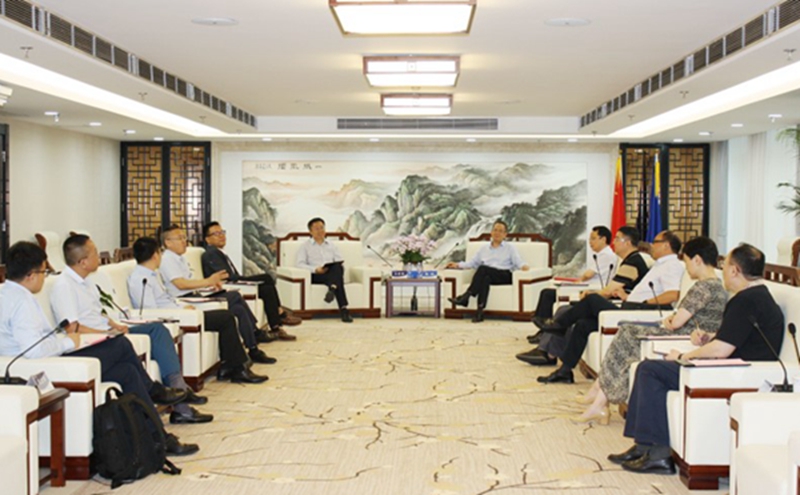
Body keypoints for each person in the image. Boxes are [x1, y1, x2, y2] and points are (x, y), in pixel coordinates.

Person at [0, 242, 198, 455]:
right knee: (120, 344)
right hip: (44, 367)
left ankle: (156, 438)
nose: (44, 277)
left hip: (52, 357)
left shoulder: (12, 294)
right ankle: (154, 398)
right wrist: (69, 341)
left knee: (128, 372)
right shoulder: (21, 302)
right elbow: (34, 350)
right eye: (43, 272)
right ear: (31, 275)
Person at [611, 243, 783, 474]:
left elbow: (721, 351)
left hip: (733, 372)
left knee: (650, 370)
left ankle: (658, 455)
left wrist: (684, 356)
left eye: (725, 266)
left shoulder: (745, 300)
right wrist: (710, 336)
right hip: (735, 366)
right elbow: (737, 338)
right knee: (648, 369)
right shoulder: (757, 296)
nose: (722, 272)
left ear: (734, 271)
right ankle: (644, 447)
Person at [50, 234, 212, 425]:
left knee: (157, 331)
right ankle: (170, 398)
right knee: (129, 344)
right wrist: (106, 334)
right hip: (93, 341)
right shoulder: (64, 286)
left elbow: (96, 314)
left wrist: (114, 325)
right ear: (83, 262)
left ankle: (172, 398)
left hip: (107, 333)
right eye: (94, 252)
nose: (98, 256)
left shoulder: (86, 282)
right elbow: (72, 327)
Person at [575, 236, 727, 424]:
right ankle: (600, 397)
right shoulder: (717, 285)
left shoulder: (703, 287)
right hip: (688, 334)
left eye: (687, 261)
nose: (686, 268)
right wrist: (673, 318)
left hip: (683, 337)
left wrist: (672, 319)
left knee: (627, 332)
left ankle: (600, 396)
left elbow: (677, 322)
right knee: (627, 332)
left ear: (697, 260)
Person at [535, 229, 685, 384]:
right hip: (631, 306)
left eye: (655, 242)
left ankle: (559, 324)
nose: (651, 245)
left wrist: (644, 302)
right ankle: (565, 371)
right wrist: (628, 297)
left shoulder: (672, 265)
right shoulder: (660, 265)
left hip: (639, 312)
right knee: (583, 325)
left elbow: (672, 294)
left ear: (666, 245)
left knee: (592, 299)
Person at [129, 237, 268, 384]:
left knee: (227, 315)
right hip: (176, 318)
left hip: (181, 311)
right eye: (160, 252)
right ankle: (238, 369)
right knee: (225, 317)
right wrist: (182, 310)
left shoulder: (151, 274)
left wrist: (182, 306)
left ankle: (229, 366)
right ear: (155, 255)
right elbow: (151, 311)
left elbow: (165, 300)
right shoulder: (140, 279)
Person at [517, 226, 650, 366]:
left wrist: (592, 293)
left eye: (617, 239)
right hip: (619, 303)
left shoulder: (633, 262)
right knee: (566, 311)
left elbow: (609, 291)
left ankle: (552, 339)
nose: (613, 242)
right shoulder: (628, 260)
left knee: (581, 304)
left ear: (627, 243)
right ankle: (549, 352)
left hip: (626, 311)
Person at [159, 225, 276, 364]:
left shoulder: (180, 258)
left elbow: (191, 282)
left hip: (196, 295)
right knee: (234, 297)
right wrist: (208, 281)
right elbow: (181, 284)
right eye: (180, 238)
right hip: (185, 301)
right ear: (168, 242)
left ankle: (252, 349)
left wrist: (209, 285)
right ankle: (255, 337)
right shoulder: (167, 259)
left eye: (184, 237)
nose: (184, 241)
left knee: (237, 308)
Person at [201, 221, 299, 341]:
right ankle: (280, 313)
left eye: (222, 232)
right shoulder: (211, 253)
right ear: (207, 239)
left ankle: (276, 327)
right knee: (266, 278)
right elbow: (224, 276)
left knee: (267, 289)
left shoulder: (218, 252)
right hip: (230, 285)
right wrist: (243, 280)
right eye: (216, 234)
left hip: (234, 281)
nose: (221, 236)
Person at [528, 225, 617, 342]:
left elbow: (588, 275)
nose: (590, 242)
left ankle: (544, 329)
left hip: (592, 288)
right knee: (547, 293)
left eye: (593, 238)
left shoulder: (606, 255)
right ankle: (543, 329)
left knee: (548, 294)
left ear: (603, 239)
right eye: (590, 239)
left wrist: (576, 283)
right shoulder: (601, 254)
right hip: (586, 286)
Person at [446, 220, 530, 323]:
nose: (497, 233)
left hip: (504, 275)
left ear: (505, 234)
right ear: (491, 232)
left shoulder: (510, 248)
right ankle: (480, 312)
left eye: (500, 231)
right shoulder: (483, 249)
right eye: (495, 230)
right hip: (489, 275)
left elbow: (518, 261)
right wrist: (458, 265)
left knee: (483, 269)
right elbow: (472, 263)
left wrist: (524, 266)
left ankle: (466, 296)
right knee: (485, 278)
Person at [295, 217, 352, 323]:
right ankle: (343, 308)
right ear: (310, 231)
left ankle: (332, 289)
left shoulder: (331, 245)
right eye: (317, 229)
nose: (320, 231)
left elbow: (339, 260)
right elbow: (300, 264)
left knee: (338, 267)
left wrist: (331, 267)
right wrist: (315, 269)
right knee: (337, 278)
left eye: (322, 228)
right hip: (316, 275)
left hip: (330, 273)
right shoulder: (305, 246)